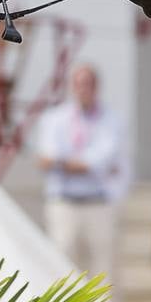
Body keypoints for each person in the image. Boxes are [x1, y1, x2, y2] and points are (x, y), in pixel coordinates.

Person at [35, 64, 130, 288]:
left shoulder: (112, 120)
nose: (83, 89)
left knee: (104, 271)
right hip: (64, 202)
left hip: (99, 202)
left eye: (88, 84)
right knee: (61, 268)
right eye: (79, 84)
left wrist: (64, 162)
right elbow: (46, 159)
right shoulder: (55, 118)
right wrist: (81, 164)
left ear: (96, 87)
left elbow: (101, 160)